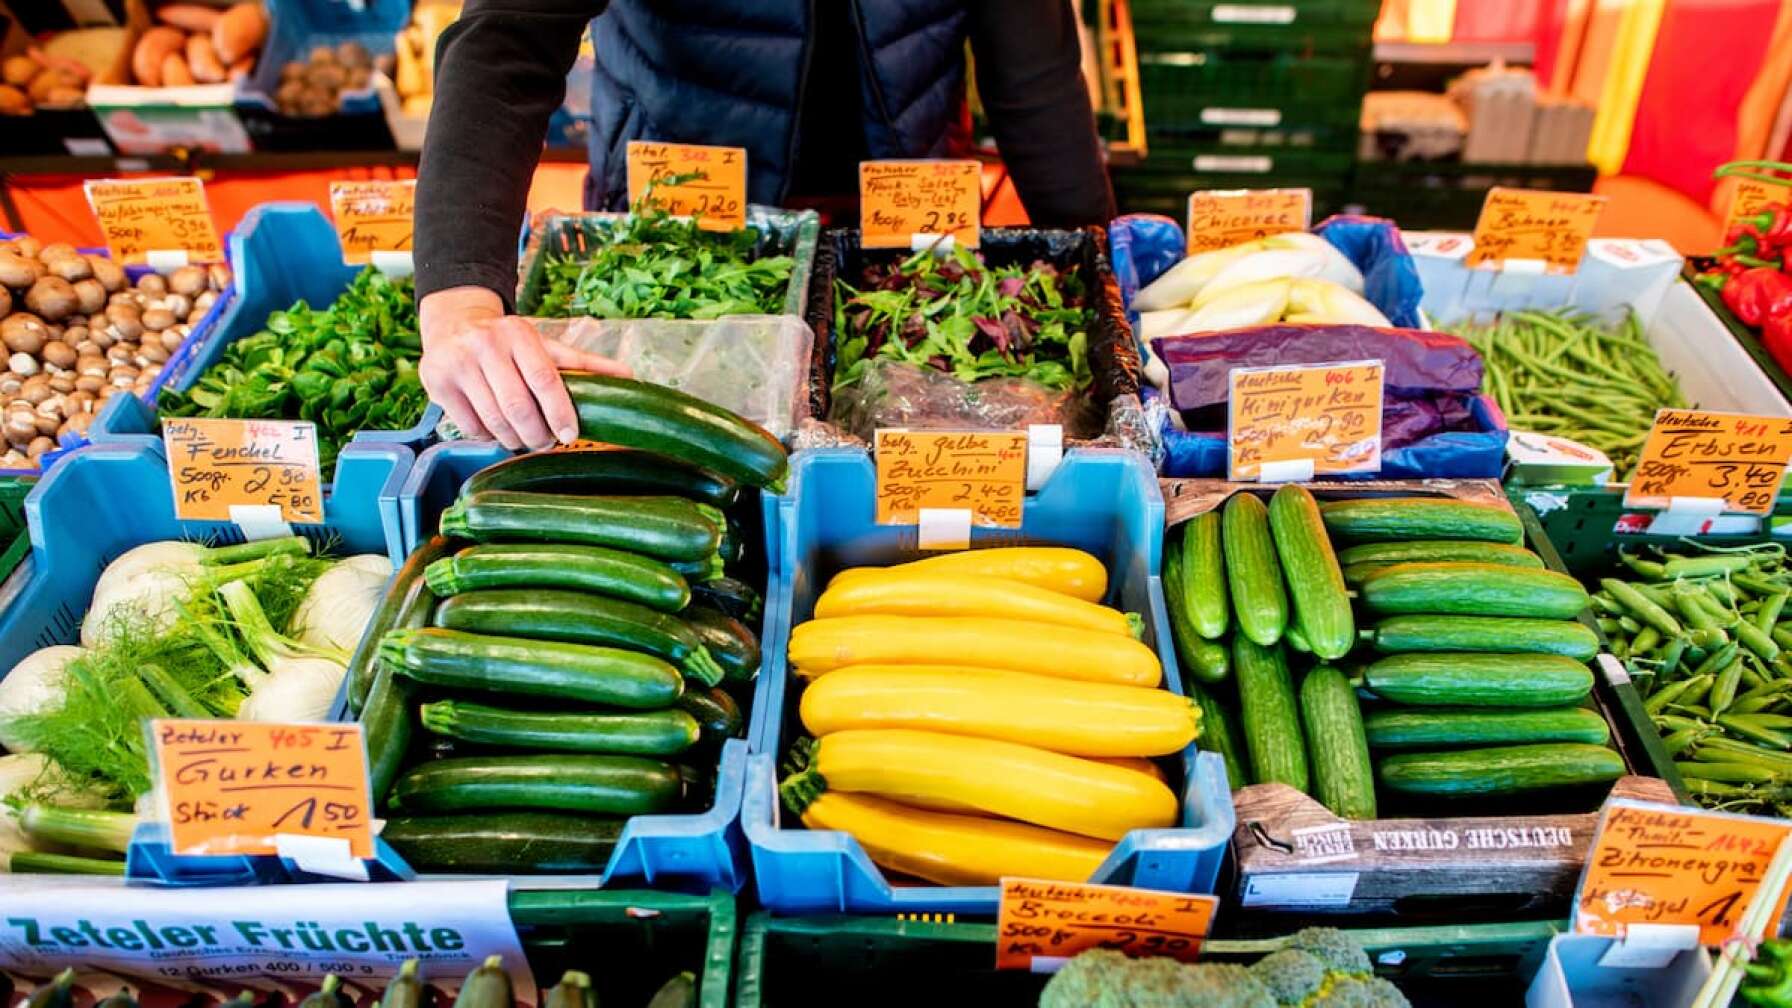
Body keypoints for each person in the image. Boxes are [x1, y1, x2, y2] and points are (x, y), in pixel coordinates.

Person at [414, 0, 1116, 451]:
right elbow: (506, 40)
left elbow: (1033, 66)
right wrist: (460, 298)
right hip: (686, 204)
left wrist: (1094, 252)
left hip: (901, 206)